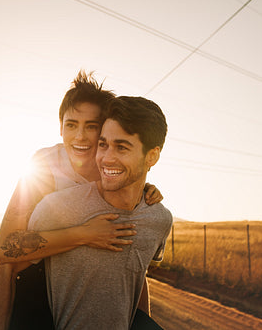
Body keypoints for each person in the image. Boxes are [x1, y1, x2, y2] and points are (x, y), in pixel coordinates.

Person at [0, 71, 162, 329]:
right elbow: (5, 249)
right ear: (60, 127)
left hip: (92, 277)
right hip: (35, 274)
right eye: (71, 125)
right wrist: (84, 234)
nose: (80, 136)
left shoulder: (111, 165)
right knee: (6, 269)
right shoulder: (44, 167)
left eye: (91, 126)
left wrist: (144, 189)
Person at [27, 96, 173, 329]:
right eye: (103, 144)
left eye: (122, 147)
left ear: (152, 156)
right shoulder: (56, 207)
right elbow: (10, 265)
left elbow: (136, 279)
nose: (106, 158)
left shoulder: (159, 219)